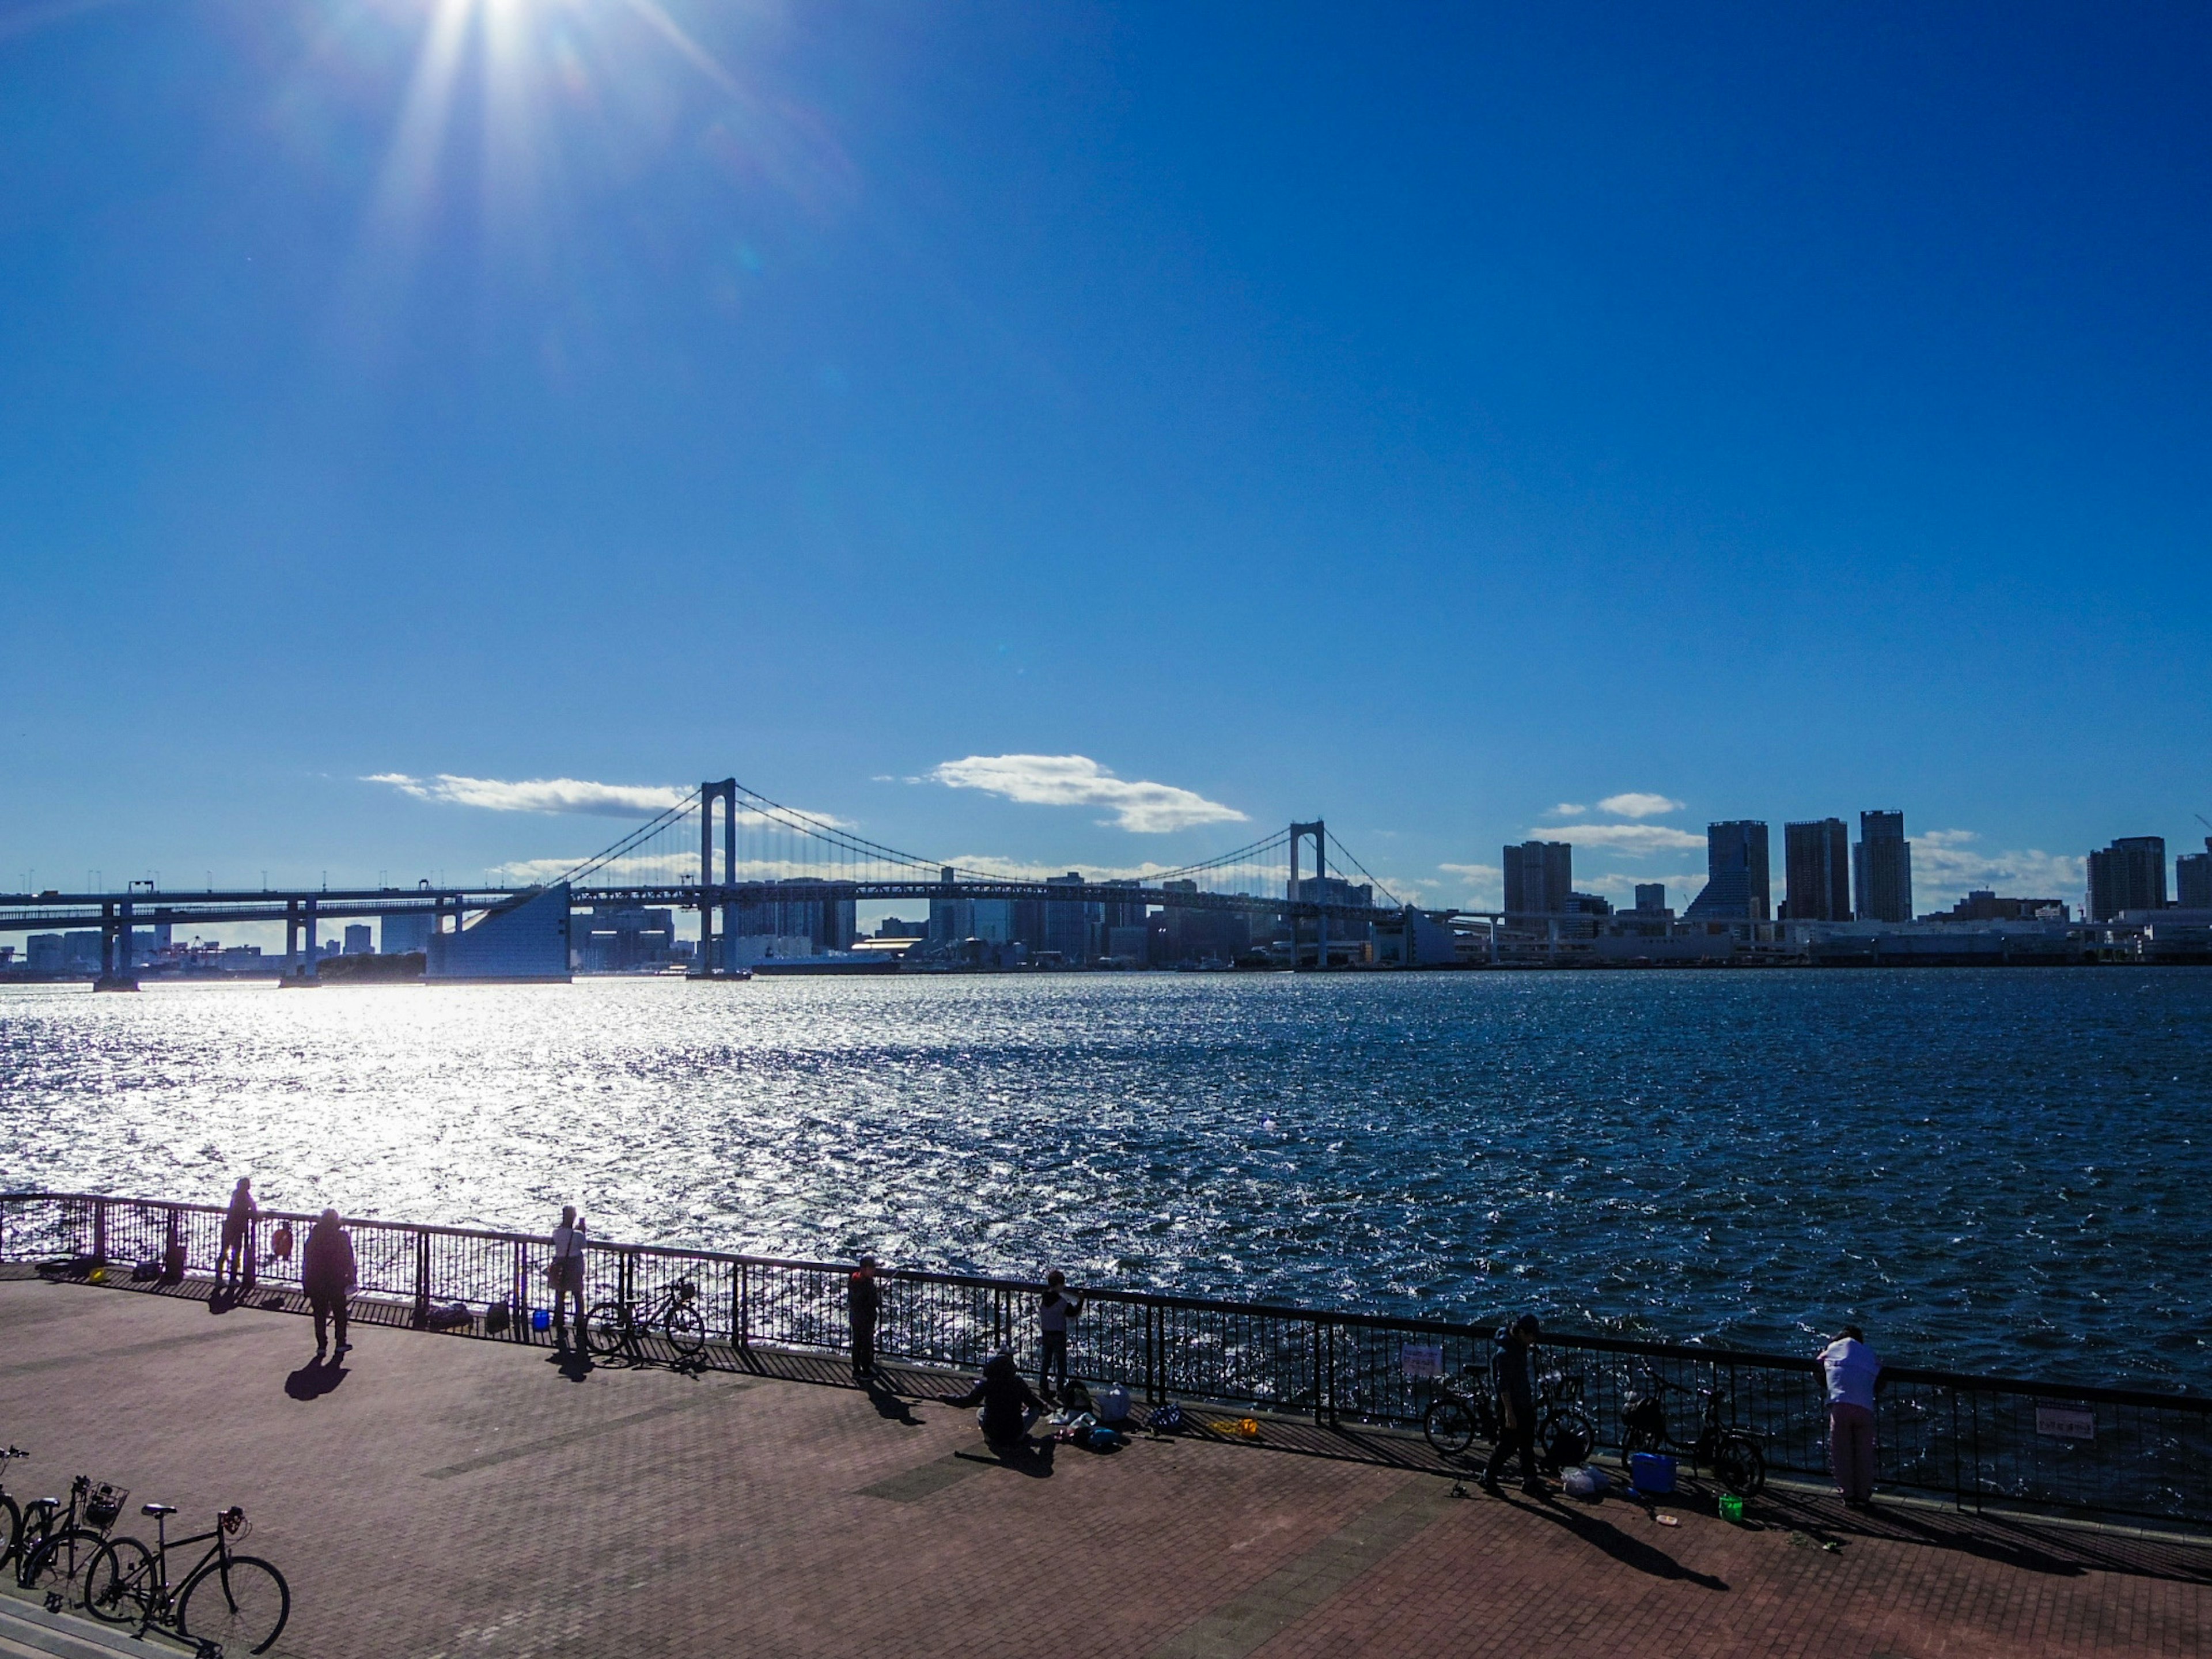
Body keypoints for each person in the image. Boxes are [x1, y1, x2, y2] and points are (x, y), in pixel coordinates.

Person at [1819, 1323, 1881, 1507]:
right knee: (1864, 1452)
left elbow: (1819, 1366)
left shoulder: (1831, 1350)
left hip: (1840, 1405)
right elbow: (1879, 1376)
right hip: (1864, 1407)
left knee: (1841, 1451)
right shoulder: (1869, 1353)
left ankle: (1848, 1494)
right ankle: (1864, 1494)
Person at [1483, 1314, 1544, 1497]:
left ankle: (1530, 1481)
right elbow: (1503, 1386)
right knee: (1508, 1444)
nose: (1533, 1340)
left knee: (1527, 1443)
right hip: (1510, 1405)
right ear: (1522, 1333)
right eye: (1531, 1336)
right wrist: (1509, 1413)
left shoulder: (1520, 1345)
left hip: (1524, 1401)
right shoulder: (1505, 1354)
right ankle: (1488, 1475)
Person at [945, 1349, 1048, 1449]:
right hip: (1014, 1434)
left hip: (993, 1434)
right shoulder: (1018, 1382)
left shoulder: (987, 1383)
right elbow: (1034, 1403)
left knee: (981, 1411)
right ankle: (1020, 1437)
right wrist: (1041, 1405)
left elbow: (967, 1402)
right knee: (1035, 1410)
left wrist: (945, 1398)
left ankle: (989, 1437)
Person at [301, 1208, 357, 1357]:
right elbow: (349, 1259)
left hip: (316, 1280)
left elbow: (307, 1261)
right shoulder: (342, 1237)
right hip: (337, 1280)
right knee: (340, 1313)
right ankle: (340, 1342)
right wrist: (352, 1277)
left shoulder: (314, 1237)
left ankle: (321, 1345)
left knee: (319, 1314)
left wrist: (305, 1282)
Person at [1037, 1270, 1085, 1400]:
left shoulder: (1043, 1298)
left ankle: (1043, 1389)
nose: (1064, 1287)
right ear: (1058, 1285)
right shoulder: (1061, 1302)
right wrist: (1081, 1301)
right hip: (1058, 1334)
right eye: (1062, 1284)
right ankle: (1060, 1389)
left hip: (1046, 1333)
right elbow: (1072, 1313)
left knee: (1045, 1362)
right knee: (1061, 1364)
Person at [548, 1206, 589, 1350]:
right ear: (573, 1218)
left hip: (561, 1265)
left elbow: (558, 1241)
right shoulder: (577, 1235)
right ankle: (579, 1323)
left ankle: (560, 1324)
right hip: (574, 1267)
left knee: (560, 1295)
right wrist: (582, 1231)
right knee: (578, 1295)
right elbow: (583, 1246)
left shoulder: (556, 1233)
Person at [218, 1177, 258, 1290]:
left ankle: (220, 1277)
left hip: (230, 1226)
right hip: (237, 1227)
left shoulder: (237, 1195)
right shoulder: (243, 1196)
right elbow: (252, 1207)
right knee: (235, 1252)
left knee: (226, 1251)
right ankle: (232, 1278)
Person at [849, 1256, 881, 1380]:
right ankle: (866, 1371)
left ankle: (856, 1370)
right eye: (871, 1268)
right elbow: (870, 1302)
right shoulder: (867, 1284)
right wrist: (875, 1294)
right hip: (865, 1319)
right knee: (866, 1345)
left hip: (856, 1317)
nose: (874, 1271)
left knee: (857, 1343)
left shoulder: (854, 1280)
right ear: (864, 1269)